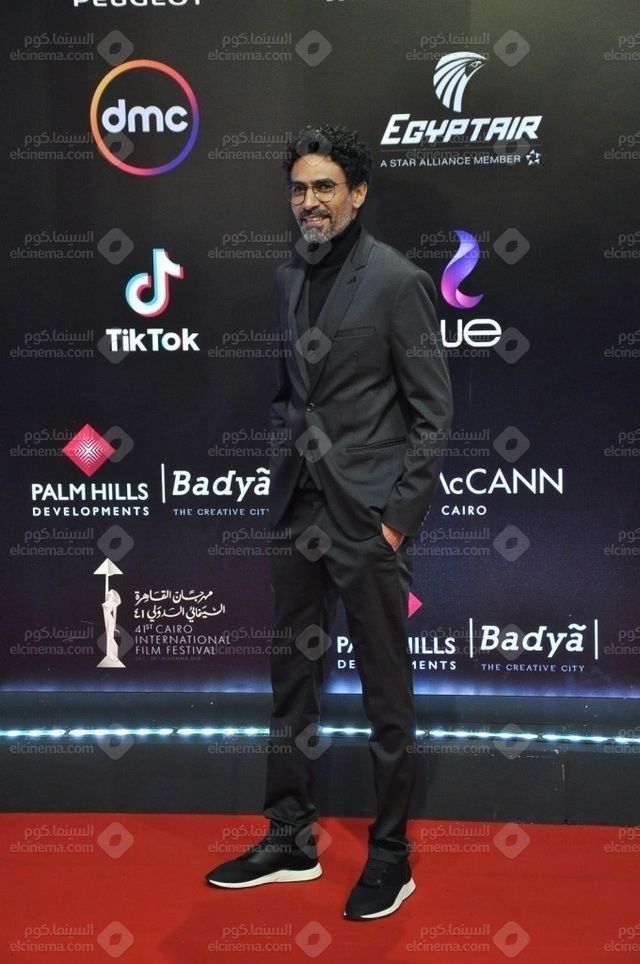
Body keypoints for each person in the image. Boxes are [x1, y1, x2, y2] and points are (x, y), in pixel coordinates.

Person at [206, 125, 453, 920]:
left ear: (358, 193)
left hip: (366, 520)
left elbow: (433, 413)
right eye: (299, 188)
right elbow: (291, 394)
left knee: (386, 692)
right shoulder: (288, 277)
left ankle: (391, 854)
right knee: (292, 683)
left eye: (324, 187)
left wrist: (394, 521)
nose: (309, 202)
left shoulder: (398, 282)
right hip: (297, 513)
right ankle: (289, 838)